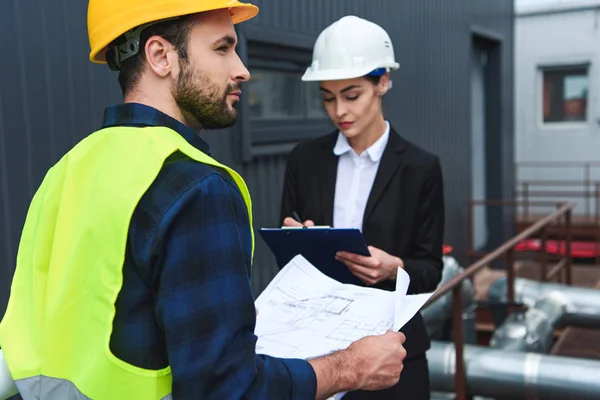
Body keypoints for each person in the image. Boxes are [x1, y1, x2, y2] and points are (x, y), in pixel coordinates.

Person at [0, 2, 408, 400]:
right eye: (222, 48)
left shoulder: (65, 172)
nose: (242, 70)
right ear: (161, 56)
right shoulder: (195, 186)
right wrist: (350, 366)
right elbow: (227, 388)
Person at [281, 15, 445, 400]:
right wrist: (298, 243)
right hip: (319, 349)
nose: (339, 110)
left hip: (395, 354)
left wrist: (395, 269)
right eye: (327, 97)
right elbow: (286, 256)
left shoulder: (421, 168)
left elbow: (430, 269)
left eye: (351, 95)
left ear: (383, 81)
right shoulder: (304, 160)